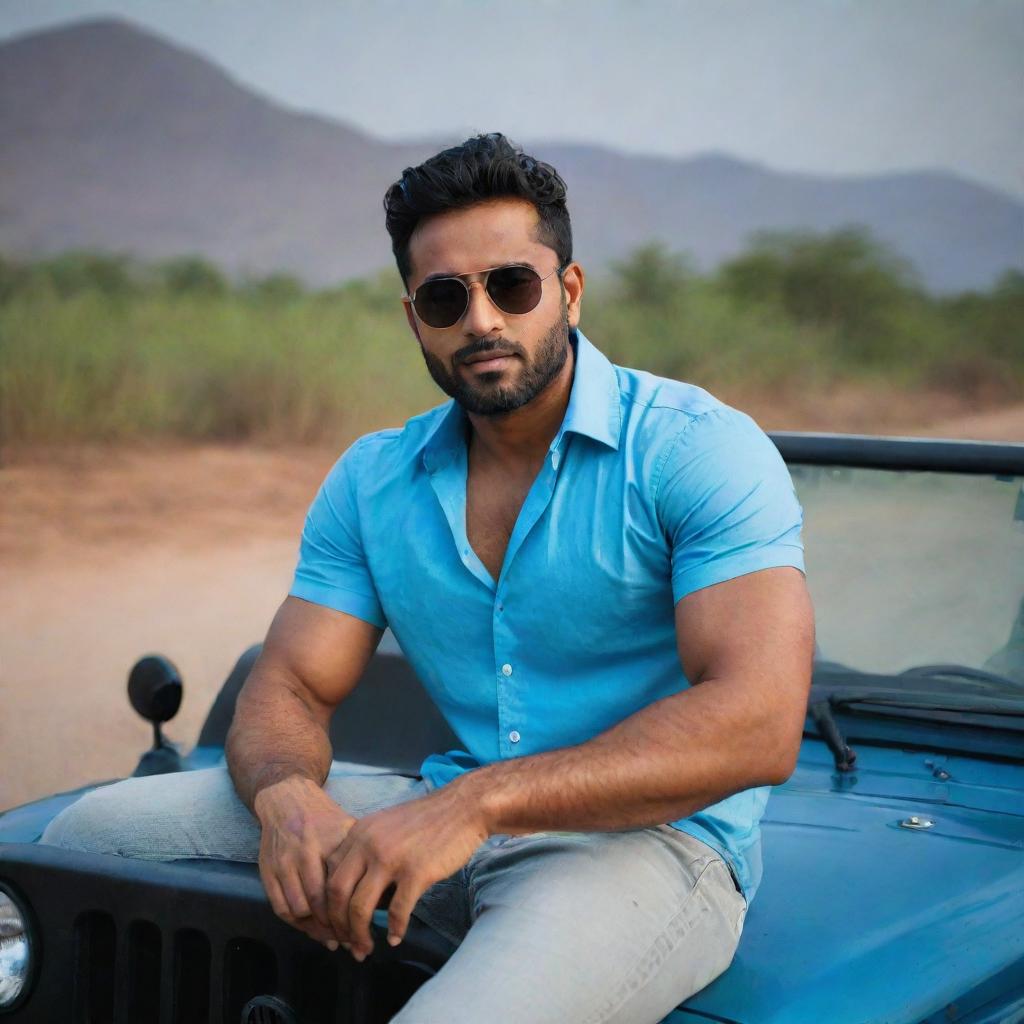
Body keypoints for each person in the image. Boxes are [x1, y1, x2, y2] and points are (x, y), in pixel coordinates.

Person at [42, 132, 814, 1023]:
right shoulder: (375, 480)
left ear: (567, 290)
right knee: (87, 840)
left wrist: (479, 805)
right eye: (446, 297)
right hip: (444, 810)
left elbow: (758, 721)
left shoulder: (693, 447)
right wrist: (289, 797)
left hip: (654, 847)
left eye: (511, 286)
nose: (481, 320)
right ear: (416, 318)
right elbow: (289, 682)